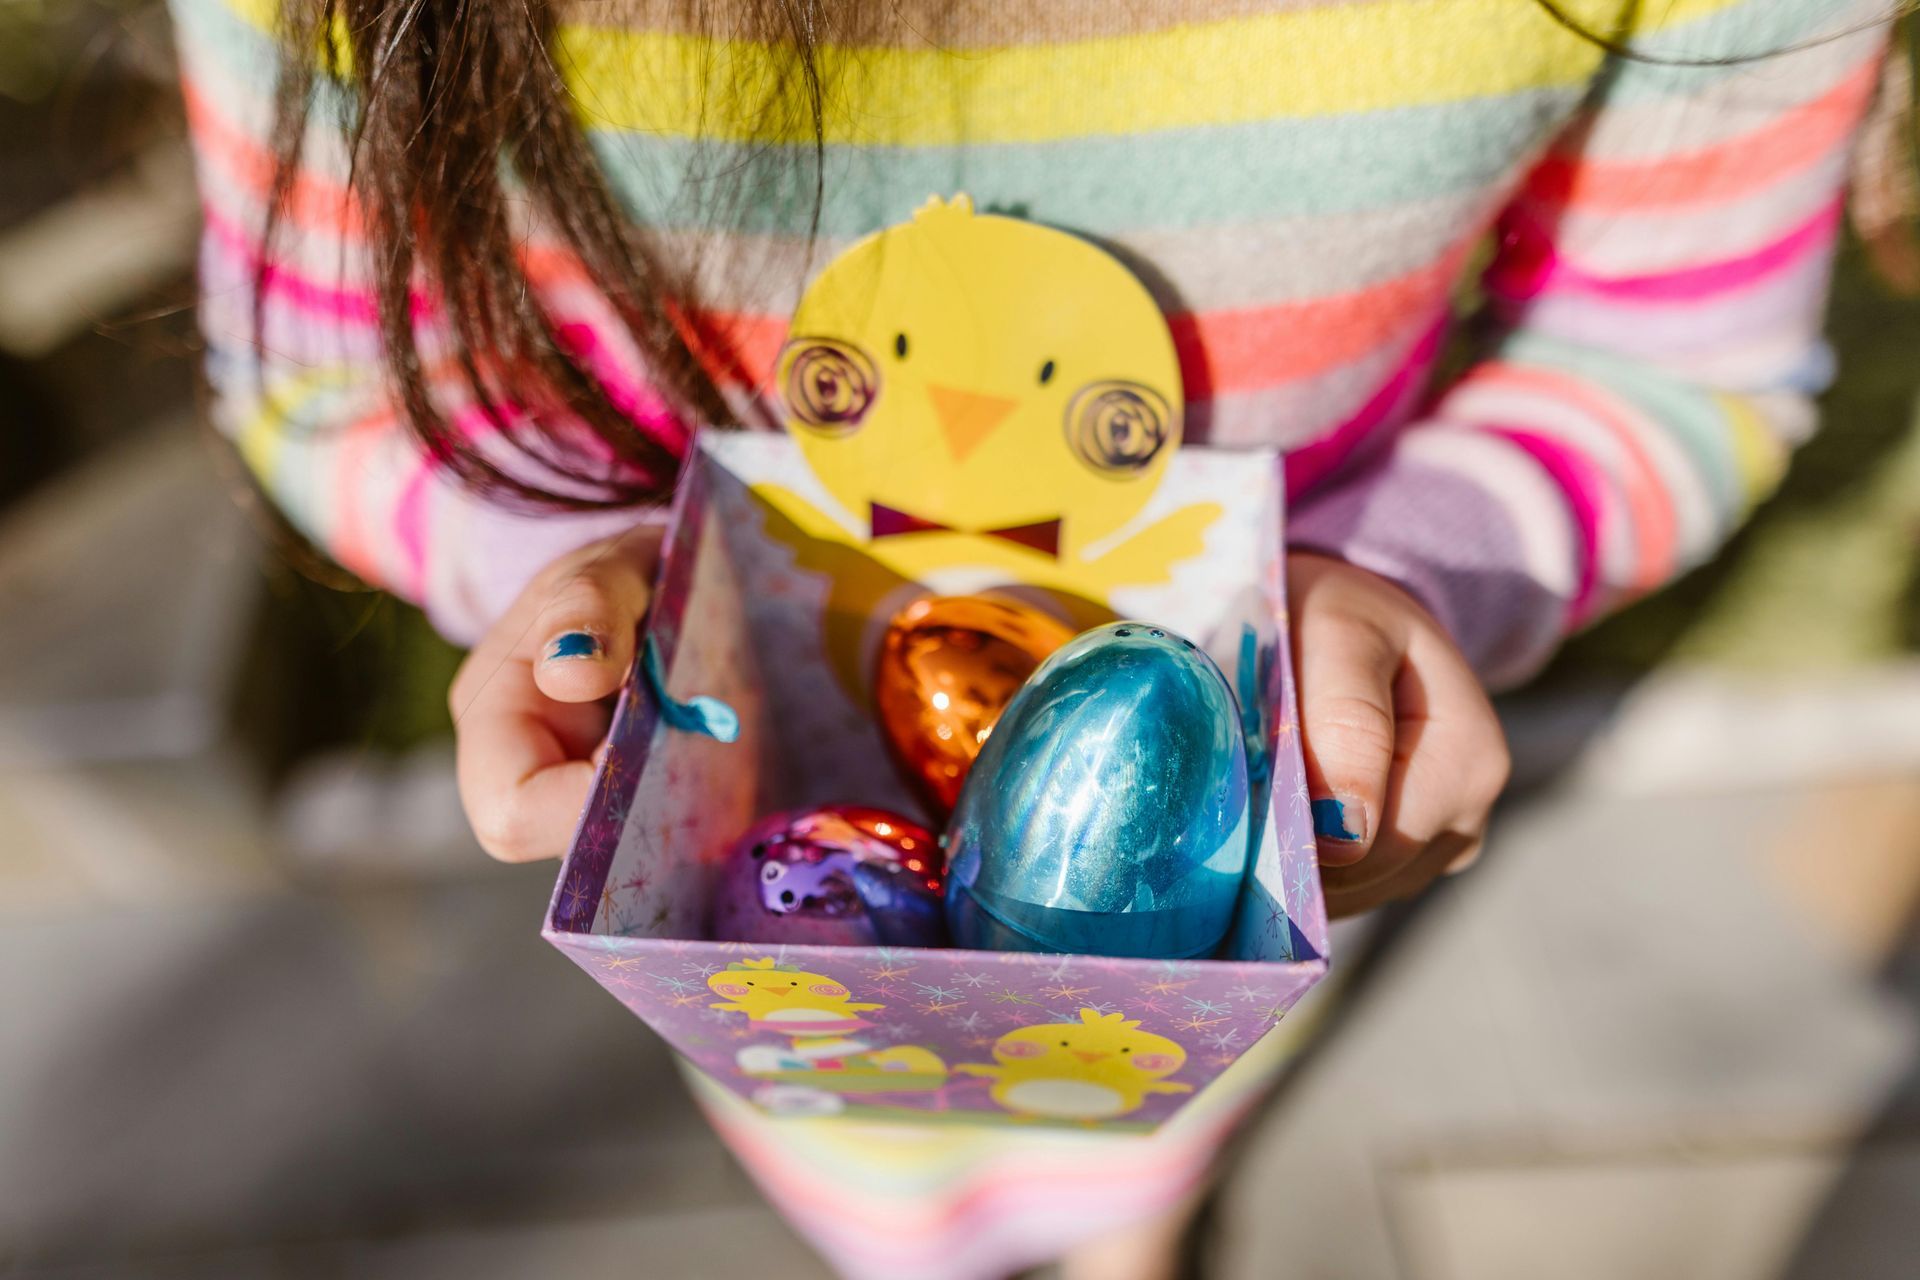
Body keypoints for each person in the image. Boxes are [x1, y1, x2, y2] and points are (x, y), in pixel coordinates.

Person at [165, 0, 1895, 1275]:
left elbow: (1668, 360)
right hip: (766, 848)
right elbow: (330, 377)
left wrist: (1411, 582)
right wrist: (565, 580)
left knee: (1156, 1071)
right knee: (855, 1144)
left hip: (1233, 782)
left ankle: (1143, 1218)